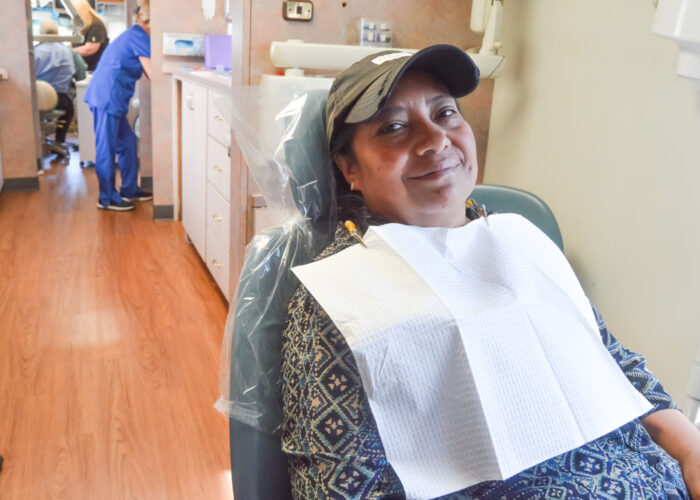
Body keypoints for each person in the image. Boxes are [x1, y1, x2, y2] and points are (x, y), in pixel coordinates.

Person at [279, 45, 700, 499]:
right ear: (349, 169)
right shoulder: (339, 296)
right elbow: (342, 485)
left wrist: (691, 449)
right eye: (394, 127)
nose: (435, 140)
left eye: (445, 113)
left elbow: (610, 360)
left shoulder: (517, 239)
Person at [83, 0, 151, 212]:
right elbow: (153, 73)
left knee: (128, 143)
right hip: (107, 97)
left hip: (112, 97)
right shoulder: (139, 35)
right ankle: (106, 198)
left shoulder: (135, 34)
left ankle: (130, 189)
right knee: (107, 147)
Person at [34, 20, 77, 147]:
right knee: (69, 109)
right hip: (61, 101)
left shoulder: (35, 51)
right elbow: (75, 72)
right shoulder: (67, 51)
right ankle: (59, 140)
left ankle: (34, 143)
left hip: (37, 99)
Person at [71, 0, 109, 71]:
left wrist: (69, 51)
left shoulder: (96, 25)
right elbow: (75, 45)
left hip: (94, 70)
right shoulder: (81, 28)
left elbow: (89, 49)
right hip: (83, 69)